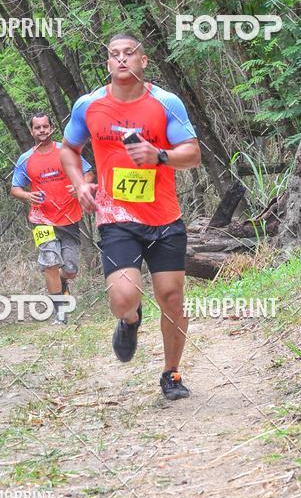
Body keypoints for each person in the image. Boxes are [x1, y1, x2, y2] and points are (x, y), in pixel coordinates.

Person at [60, 32, 201, 400]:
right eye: (114, 55)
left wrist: (161, 156)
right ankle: (130, 320)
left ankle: (171, 374)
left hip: (164, 217)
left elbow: (193, 153)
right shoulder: (88, 106)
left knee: (171, 298)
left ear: (143, 61)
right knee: (124, 297)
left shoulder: (165, 102)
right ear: (107, 63)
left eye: (130, 53)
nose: (122, 59)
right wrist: (80, 184)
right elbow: (69, 150)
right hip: (116, 216)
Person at [11, 113, 94, 324]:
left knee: (70, 270)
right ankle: (60, 312)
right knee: (50, 263)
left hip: (69, 218)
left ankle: (63, 284)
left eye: (45, 127)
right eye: (37, 128)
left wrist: (80, 186)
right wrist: (27, 195)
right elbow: (15, 189)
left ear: (51, 128)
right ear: (31, 131)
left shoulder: (65, 152)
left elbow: (89, 173)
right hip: (41, 219)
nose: (42, 131)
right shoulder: (25, 159)